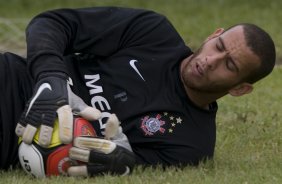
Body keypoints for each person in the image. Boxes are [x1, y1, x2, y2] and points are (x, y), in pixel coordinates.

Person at [0, 7, 276, 176]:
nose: (210, 61)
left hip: (14, 142)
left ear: (240, 88)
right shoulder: (152, 33)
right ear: (213, 35)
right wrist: (51, 79)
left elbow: (116, 163)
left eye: (228, 65)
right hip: (10, 78)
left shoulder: (190, 146)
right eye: (219, 46)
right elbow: (52, 23)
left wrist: (121, 162)